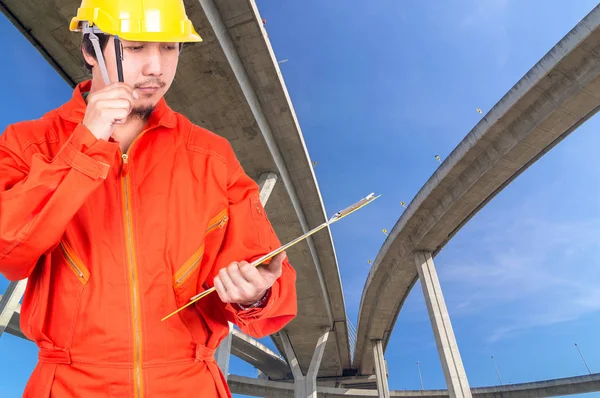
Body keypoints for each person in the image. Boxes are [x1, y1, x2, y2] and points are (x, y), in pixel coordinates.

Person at [0, 0, 297, 396]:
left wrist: (255, 295)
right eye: (136, 47)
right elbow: (10, 252)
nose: (156, 67)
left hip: (190, 384)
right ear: (91, 49)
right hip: (70, 386)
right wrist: (86, 144)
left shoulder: (211, 156)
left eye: (169, 47)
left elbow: (269, 277)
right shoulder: (28, 144)